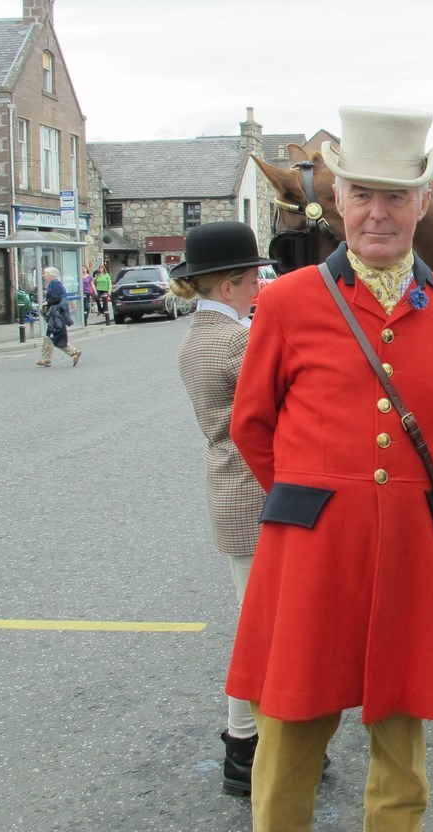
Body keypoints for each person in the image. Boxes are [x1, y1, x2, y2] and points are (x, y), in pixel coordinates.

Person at [226, 107, 433, 831]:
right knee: (289, 741)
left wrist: (399, 494)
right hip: (309, 550)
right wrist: (315, 494)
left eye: (396, 196)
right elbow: (252, 425)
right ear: (337, 201)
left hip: (409, 547)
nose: (378, 212)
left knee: (402, 757)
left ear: (422, 204)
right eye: (363, 194)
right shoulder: (285, 302)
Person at [168, 221, 272, 796]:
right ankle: (244, 749)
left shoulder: (198, 338)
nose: (261, 284)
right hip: (255, 494)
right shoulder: (239, 341)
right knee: (259, 631)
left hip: (228, 490)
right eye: (254, 276)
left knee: (255, 624)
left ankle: (251, 744)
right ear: (230, 286)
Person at [37, 267, 80, 367]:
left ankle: (74, 352)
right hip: (58, 314)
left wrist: (47, 302)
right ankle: (46, 359)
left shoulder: (54, 283)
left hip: (57, 314)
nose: (44, 276)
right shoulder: (56, 284)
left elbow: (57, 298)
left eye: (46, 273)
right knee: (51, 336)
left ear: (52, 275)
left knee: (54, 336)